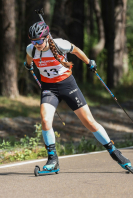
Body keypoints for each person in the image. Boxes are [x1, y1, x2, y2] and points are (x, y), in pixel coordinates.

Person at [24, 21, 132, 172]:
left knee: (89, 121)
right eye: (33, 41)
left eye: (39, 41)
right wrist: (28, 65)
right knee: (45, 119)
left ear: (47, 37)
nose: (36, 44)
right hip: (49, 88)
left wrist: (89, 62)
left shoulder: (60, 44)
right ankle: (52, 160)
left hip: (68, 86)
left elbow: (76, 50)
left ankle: (116, 153)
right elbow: (29, 59)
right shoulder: (32, 49)